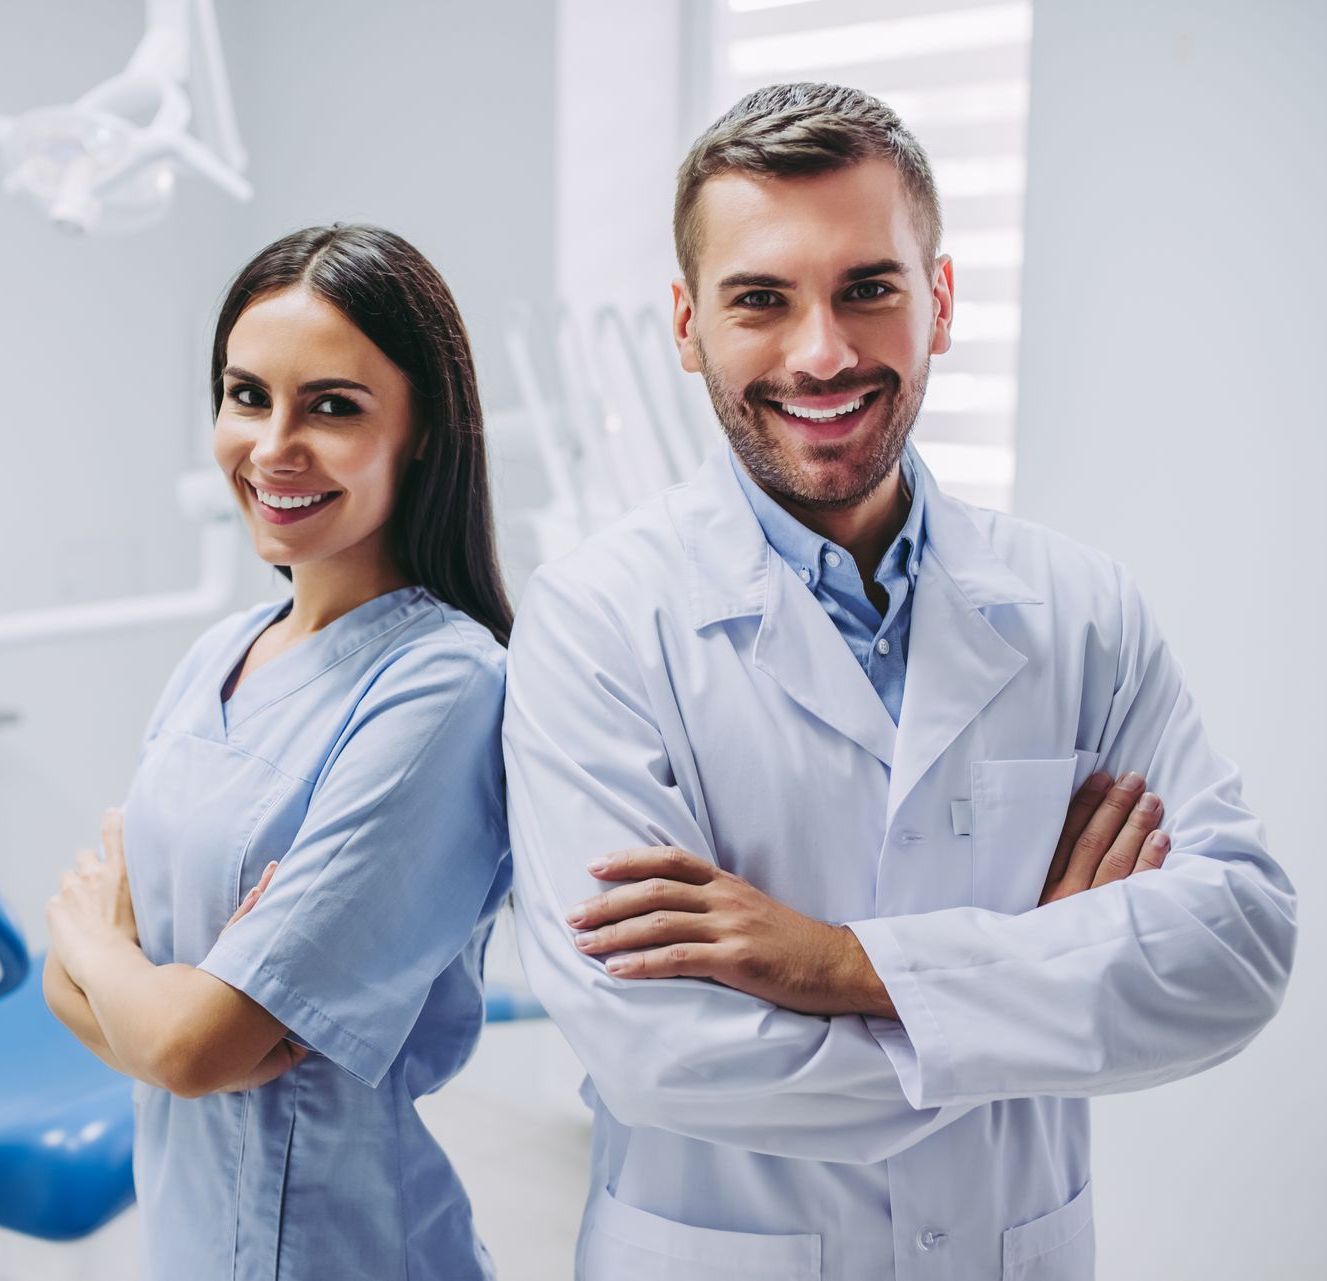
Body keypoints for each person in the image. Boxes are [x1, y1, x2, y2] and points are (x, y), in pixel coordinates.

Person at [503, 84, 1297, 1280]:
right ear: (684, 325)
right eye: (759, 300)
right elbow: (659, 1052)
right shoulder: (594, 625)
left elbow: (1236, 949)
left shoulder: (1082, 610)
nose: (821, 352)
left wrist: (840, 966)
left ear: (939, 300)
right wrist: (1036, 973)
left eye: (867, 287)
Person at [43, 224, 512, 1281]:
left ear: (425, 428)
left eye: (333, 407)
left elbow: (178, 1042)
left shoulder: (444, 686)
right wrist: (164, 1004)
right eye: (247, 395)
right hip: (188, 1239)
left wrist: (104, 950)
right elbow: (90, 1004)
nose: (272, 446)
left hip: (340, 1251)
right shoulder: (221, 653)